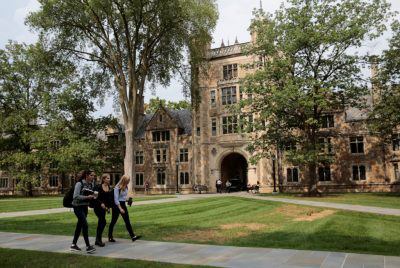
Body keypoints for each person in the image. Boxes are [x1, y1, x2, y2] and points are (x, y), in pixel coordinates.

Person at [70, 170, 96, 253]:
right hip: (77, 207)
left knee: (79, 225)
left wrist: (93, 196)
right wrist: (87, 197)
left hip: (85, 207)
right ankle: (88, 246)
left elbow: (89, 195)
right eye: (92, 175)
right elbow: (75, 196)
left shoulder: (91, 184)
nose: (93, 177)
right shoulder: (79, 184)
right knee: (85, 225)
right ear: (87, 176)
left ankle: (73, 245)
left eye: (93, 175)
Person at [108, 175, 140, 242]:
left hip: (123, 204)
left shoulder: (126, 187)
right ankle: (110, 236)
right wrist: (120, 209)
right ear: (124, 180)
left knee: (127, 221)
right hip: (116, 206)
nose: (128, 182)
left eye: (129, 180)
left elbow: (122, 198)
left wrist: (128, 200)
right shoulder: (117, 188)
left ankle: (133, 236)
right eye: (128, 181)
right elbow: (116, 199)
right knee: (113, 221)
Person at [93, 174, 112, 247]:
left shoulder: (109, 187)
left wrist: (108, 207)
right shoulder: (98, 187)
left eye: (109, 178)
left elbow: (108, 199)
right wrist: (101, 203)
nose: (109, 179)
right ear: (103, 179)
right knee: (103, 222)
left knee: (101, 222)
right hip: (98, 207)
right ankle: (98, 240)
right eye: (107, 178)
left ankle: (97, 240)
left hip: (104, 208)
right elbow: (95, 197)